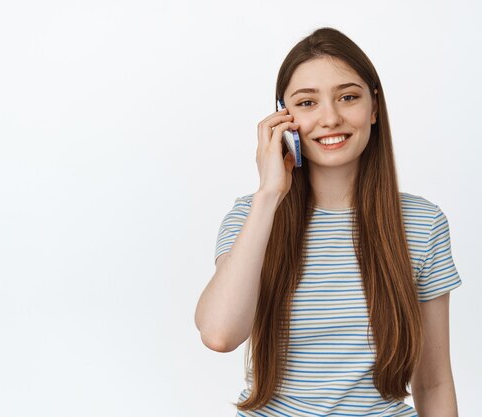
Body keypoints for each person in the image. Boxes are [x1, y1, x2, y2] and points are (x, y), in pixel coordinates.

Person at [194, 27, 462, 417]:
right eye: (307, 103)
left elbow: (434, 381)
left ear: (373, 107)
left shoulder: (422, 223)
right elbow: (219, 334)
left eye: (348, 97)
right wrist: (268, 195)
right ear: (282, 117)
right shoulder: (252, 216)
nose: (330, 118)